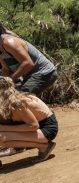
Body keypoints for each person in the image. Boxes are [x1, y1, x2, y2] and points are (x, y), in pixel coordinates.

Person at [0, 23, 57, 157]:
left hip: (43, 73)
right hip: (29, 75)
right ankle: (20, 141)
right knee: (9, 104)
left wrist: (8, 81)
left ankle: (20, 144)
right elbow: (6, 70)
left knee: (14, 102)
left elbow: (28, 63)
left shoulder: (8, 42)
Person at [0, 76, 58, 163]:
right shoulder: (8, 100)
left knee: (1, 137)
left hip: (47, 129)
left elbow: (33, 126)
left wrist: (3, 129)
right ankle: (20, 147)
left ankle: (44, 146)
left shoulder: (16, 103)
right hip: (37, 127)